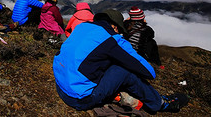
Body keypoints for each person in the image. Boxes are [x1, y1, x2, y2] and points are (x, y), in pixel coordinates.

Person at [53, 9, 189, 113]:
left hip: (60, 86)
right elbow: (149, 72)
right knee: (124, 70)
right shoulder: (112, 39)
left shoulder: (82, 27)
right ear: (115, 26)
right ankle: (160, 103)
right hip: (79, 98)